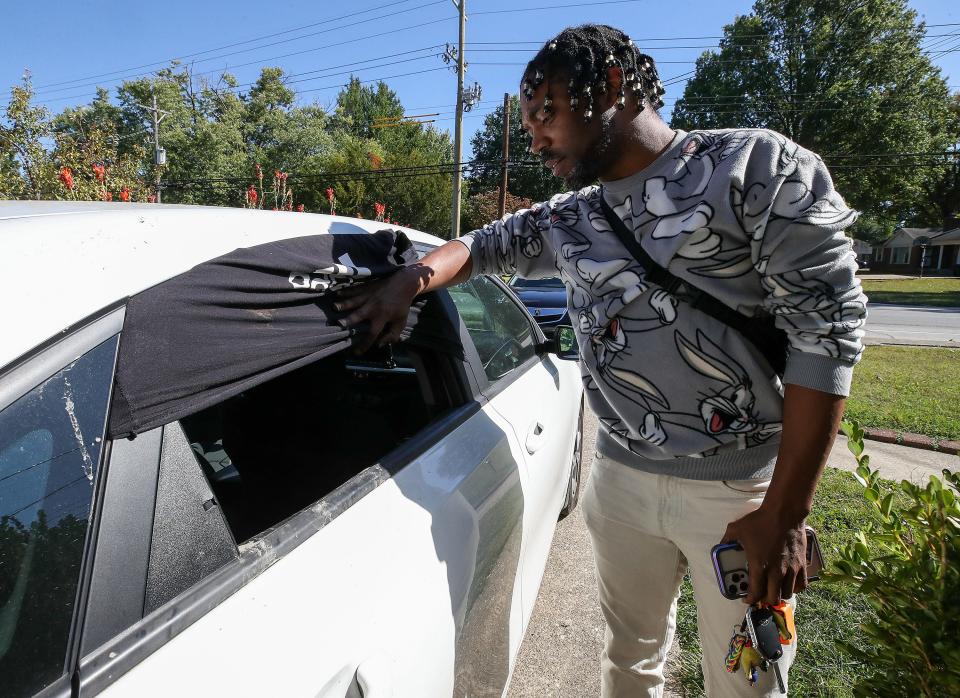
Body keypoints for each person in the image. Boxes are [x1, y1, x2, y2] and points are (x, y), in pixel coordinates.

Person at [334, 23, 867, 697]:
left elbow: (827, 339)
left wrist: (786, 516)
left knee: (749, 683)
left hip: (742, 496)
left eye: (545, 115)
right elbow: (484, 245)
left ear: (609, 87)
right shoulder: (569, 218)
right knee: (629, 662)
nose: (534, 139)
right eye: (528, 124)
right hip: (619, 485)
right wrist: (411, 280)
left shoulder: (756, 169)